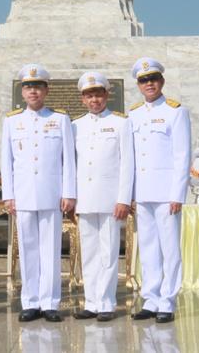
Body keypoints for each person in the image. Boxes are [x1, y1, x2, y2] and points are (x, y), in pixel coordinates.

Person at [1, 63, 77, 322]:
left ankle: (51, 302)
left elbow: (68, 159)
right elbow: (8, 160)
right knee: (28, 248)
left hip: (51, 194)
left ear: (46, 90)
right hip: (22, 195)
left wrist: (69, 192)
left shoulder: (59, 119)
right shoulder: (12, 121)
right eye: (28, 87)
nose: (33, 91)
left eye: (37, 87)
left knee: (51, 249)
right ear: (22, 92)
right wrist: (8, 195)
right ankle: (30, 301)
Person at [128, 58, 191, 324]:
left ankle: (167, 301)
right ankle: (151, 299)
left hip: (166, 194)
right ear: (139, 85)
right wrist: (130, 194)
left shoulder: (176, 111)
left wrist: (177, 194)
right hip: (142, 193)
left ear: (161, 82)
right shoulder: (133, 114)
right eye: (144, 80)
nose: (149, 84)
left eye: (153, 79)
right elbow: (131, 158)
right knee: (149, 248)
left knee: (169, 249)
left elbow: (182, 155)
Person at [71, 71, 134, 322]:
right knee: (89, 251)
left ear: (107, 95)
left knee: (108, 251)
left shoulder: (121, 123)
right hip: (85, 198)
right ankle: (91, 301)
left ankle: (106, 303)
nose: (94, 100)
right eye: (89, 96)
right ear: (83, 99)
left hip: (110, 198)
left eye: (98, 94)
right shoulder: (75, 125)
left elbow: (127, 164)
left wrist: (124, 199)